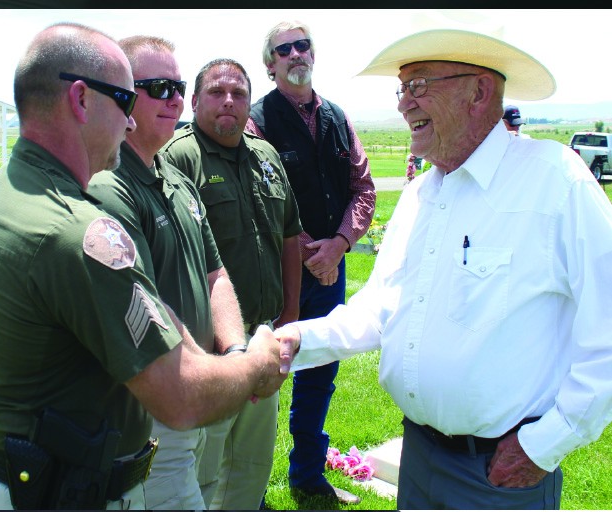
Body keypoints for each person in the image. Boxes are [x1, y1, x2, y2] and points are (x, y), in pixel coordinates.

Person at [276, 28, 612, 510]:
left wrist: (547, 444)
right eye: (402, 89)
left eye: (418, 86)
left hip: (499, 477)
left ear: (478, 92)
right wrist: (298, 342)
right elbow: (379, 309)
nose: (403, 105)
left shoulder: (556, 181)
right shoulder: (421, 194)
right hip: (419, 459)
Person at [0, 23, 286, 510]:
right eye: (126, 98)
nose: (130, 121)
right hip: (69, 492)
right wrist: (257, 363)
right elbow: (181, 396)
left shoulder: (11, 189)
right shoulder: (76, 232)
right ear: (81, 100)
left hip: (33, 480)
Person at [87, 36, 247, 510]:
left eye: (177, 86)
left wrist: (235, 351)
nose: (175, 98)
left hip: (200, 388)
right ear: (123, 97)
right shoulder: (108, 186)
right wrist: (220, 373)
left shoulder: (177, 181)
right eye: (157, 86)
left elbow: (215, 274)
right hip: (155, 406)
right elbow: (145, 301)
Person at [244, 20, 376, 505]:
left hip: (331, 269)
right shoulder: (257, 121)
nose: (297, 53)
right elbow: (259, 197)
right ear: (270, 63)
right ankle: (249, 484)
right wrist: (307, 251)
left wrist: (339, 243)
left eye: (304, 45)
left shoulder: (339, 118)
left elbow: (363, 189)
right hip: (281, 276)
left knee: (320, 373)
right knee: (262, 373)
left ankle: (307, 474)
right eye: (285, 48)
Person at [163, 58, 303, 510]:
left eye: (239, 94)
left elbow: (289, 236)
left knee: (252, 464)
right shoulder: (179, 156)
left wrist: (291, 316)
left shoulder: (265, 156)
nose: (229, 101)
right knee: (204, 467)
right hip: (208, 349)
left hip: (264, 337)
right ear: (196, 100)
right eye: (217, 92)